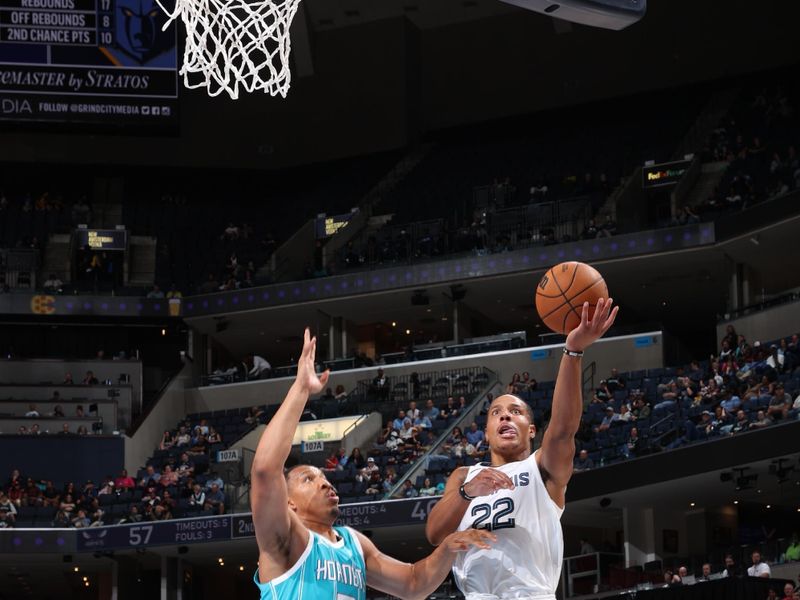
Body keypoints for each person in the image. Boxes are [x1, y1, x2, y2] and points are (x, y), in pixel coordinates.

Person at [250, 329, 494, 599]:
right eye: (308, 479)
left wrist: (447, 548)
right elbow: (264, 470)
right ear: (288, 503)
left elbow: (413, 584)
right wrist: (302, 388)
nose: (324, 482)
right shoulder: (284, 537)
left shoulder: (355, 544)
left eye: (323, 477)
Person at [425, 298, 618, 599]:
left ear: (531, 430)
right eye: (496, 412)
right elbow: (435, 535)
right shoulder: (464, 476)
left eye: (515, 411)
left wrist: (573, 351)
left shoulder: (541, 468)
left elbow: (564, 430)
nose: (504, 415)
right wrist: (467, 492)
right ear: (486, 433)